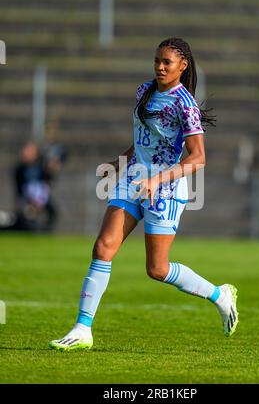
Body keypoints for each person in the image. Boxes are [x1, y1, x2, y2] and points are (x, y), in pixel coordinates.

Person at [49, 37, 238, 351]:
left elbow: (198, 158)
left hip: (165, 186)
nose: (160, 67)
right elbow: (143, 140)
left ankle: (220, 295)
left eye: (167, 62)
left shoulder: (185, 104)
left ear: (183, 65)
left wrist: (158, 179)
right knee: (103, 247)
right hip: (134, 177)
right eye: (157, 61)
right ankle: (83, 329)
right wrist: (119, 162)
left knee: (157, 269)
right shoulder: (144, 91)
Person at [14, 141, 58, 232]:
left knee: (53, 210)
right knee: (27, 216)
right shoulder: (19, 170)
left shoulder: (41, 167)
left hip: (42, 199)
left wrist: (52, 166)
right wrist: (29, 203)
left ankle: (46, 232)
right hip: (27, 201)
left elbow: (48, 182)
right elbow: (20, 191)